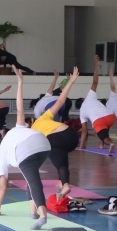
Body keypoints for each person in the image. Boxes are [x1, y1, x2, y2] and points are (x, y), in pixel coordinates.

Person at [0, 66, 51, 229]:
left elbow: (2, 187)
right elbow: (19, 108)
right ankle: (33, 212)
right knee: (30, 179)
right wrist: (20, 82)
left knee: (33, 181)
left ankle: (42, 215)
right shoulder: (17, 128)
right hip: (43, 143)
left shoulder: (2, 155)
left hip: (25, 150)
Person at [32, 66, 80, 198]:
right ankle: (61, 181)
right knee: (61, 158)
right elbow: (60, 100)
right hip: (72, 136)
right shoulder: (44, 116)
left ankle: (66, 185)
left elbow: (35, 154)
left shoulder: (33, 131)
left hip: (56, 138)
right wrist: (71, 81)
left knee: (60, 163)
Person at [77, 55, 115, 155]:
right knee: (104, 128)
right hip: (111, 116)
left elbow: (84, 131)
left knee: (103, 135)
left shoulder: (82, 112)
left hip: (99, 120)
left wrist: (81, 146)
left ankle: (110, 143)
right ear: (83, 100)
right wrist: (96, 65)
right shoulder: (89, 97)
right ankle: (101, 144)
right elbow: (95, 82)